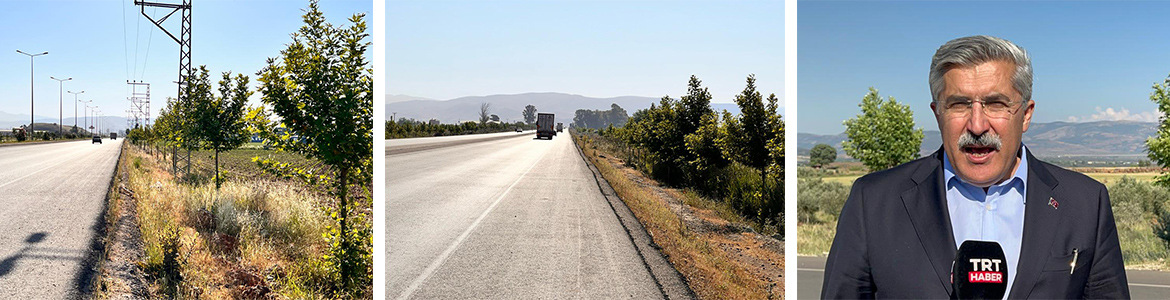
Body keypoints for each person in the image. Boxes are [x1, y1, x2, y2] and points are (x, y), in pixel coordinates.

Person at [820, 35, 1129, 299]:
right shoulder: (873, 201)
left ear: (1026, 114)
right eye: (959, 104)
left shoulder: (1086, 202)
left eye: (996, 104)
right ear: (937, 113)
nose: (978, 125)